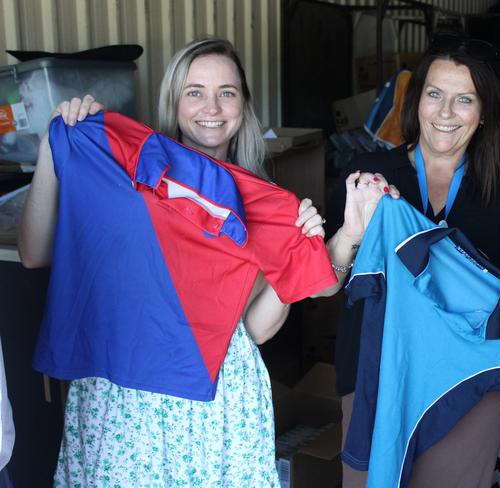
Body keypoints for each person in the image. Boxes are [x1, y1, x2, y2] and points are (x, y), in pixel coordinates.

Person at [18, 37, 397, 486]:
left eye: (227, 92)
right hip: (124, 396)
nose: (211, 107)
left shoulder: (261, 201)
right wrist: (55, 146)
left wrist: (345, 236)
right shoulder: (128, 170)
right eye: (194, 91)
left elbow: (259, 325)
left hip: (216, 398)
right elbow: (33, 252)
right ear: (173, 101)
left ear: (244, 105)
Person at [324, 33, 500, 487]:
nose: (445, 113)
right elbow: (323, 283)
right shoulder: (368, 178)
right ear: (416, 103)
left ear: (484, 113)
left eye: (464, 99)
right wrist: (352, 233)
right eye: (434, 95)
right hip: (377, 376)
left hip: (467, 387)